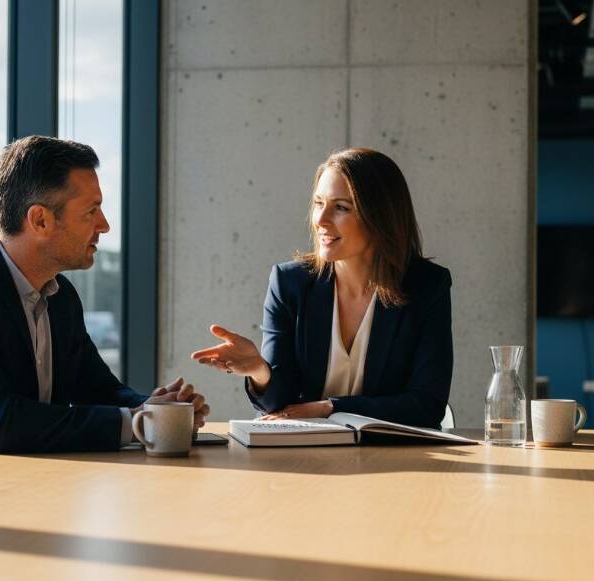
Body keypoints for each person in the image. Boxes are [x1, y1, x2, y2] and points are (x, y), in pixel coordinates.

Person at [0, 136, 209, 476]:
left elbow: (99, 389)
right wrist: (141, 423)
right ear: (40, 221)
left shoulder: (60, 295)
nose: (105, 225)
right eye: (91, 211)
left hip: (11, 490)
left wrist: (157, 409)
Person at [191, 148, 452, 428]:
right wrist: (259, 370)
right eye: (318, 203)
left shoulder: (427, 286)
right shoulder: (289, 283)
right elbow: (281, 406)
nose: (321, 220)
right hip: (307, 454)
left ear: (380, 216)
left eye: (341, 207)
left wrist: (330, 407)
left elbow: (427, 405)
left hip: (394, 456)